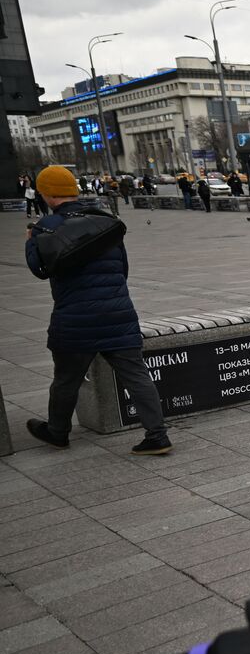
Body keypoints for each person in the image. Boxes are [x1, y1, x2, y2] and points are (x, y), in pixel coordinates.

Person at [24, 166, 172, 456]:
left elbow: (39, 269)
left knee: (67, 378)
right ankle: (158, 435)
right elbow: (123, 269)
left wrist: (31, 241)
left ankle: (57, 432)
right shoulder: (107, 222)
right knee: (137, 376)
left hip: (75, 318)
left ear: (46, 193)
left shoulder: (47, 227)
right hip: (118, 313)